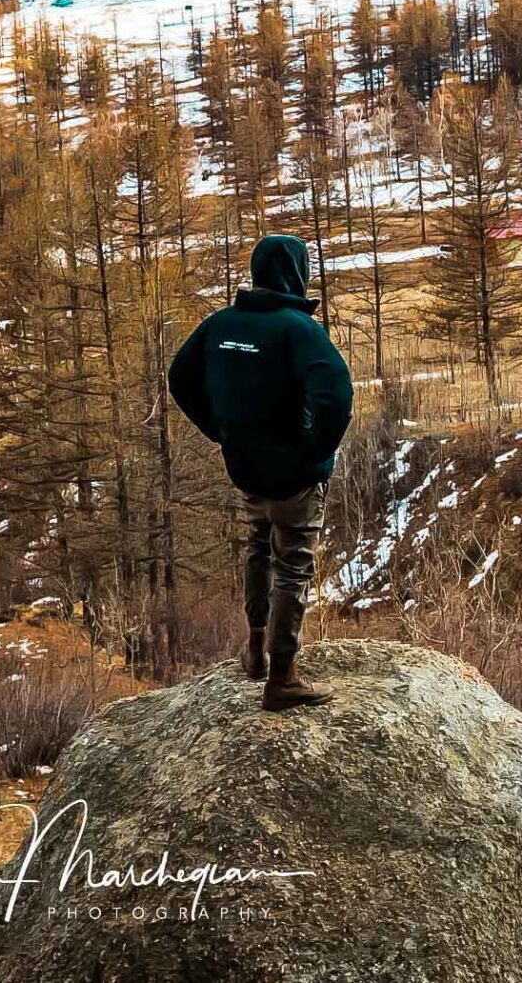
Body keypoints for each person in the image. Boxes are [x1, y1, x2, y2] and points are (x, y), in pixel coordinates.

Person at [168, 235, 354, 710]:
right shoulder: (298, 330)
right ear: (297, 272)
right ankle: (283, 675)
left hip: (245, 467)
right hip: (293, 474)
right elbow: (336, 396)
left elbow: (179, 376)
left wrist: (220, 429)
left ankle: (255, 651)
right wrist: (314, 453)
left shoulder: (220, 325)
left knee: (258, 543)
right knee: (292, 563)